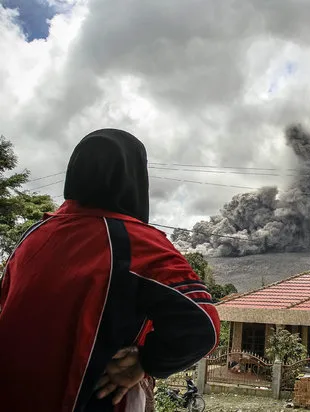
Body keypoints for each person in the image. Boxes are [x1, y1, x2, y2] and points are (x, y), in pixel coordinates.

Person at [0, 129, 220, 411]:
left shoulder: (34, 237)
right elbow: (203, 324)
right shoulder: (134, 242)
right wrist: (147, 361)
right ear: (134, 178)